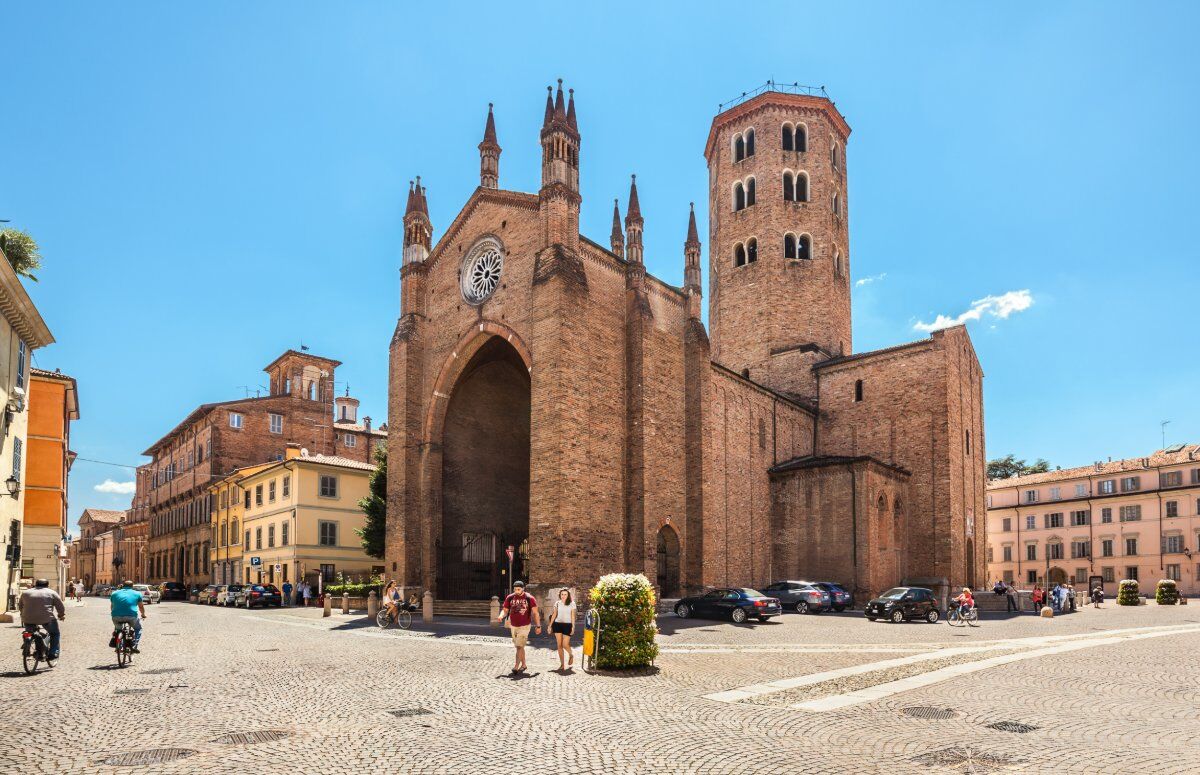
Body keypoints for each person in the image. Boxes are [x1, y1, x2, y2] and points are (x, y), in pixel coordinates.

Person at [497, 580, 540, 673]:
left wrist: (538, 626)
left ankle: (516, 666)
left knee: (519, 646)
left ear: (523, 589)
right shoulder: (510, 597)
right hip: (513, 625)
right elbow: (505, 610)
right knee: (519, 647)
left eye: (519, 589)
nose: (517, 591)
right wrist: (501, 616)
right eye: (515, 589)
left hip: (524, 626)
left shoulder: (530, 598)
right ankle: (524, 665)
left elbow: (536, 613)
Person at [19, 579, 65, 659]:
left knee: (29, 632)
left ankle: (27, 642)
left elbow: (20, 606)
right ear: (47, 585)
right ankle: (53, 653)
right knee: (54, 633)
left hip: (27, 618)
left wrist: (23, 614)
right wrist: (61, 615)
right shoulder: (51, 592)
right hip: (47, 618)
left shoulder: (26, 593)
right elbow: (60, 606)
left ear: (35, 584)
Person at [109, 580, 147, 653]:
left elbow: (112, 606)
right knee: (138, 628)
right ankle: (134, 645)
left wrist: (114, 614)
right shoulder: (137, 593)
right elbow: (141, 607)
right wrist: (143, 614)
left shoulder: (114, 593)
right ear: (132, 586)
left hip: (116, 616)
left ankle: (118, 645)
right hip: (131, 616)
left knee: (118, 629)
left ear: (123, 585)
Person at [549, 588, 577, 671]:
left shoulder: (572, 603)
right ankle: (562, 664)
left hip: (568, 625)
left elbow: (573, 616)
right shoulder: (557, 603)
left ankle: (571, 655)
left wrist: (573, 627)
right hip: (557, 624)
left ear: (568, 595)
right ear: (560, 595)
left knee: (565, 644)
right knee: (559, 645)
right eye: (562, 594)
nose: (563, 596)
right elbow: (554, 614)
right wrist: (550, 625)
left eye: (565, 594)